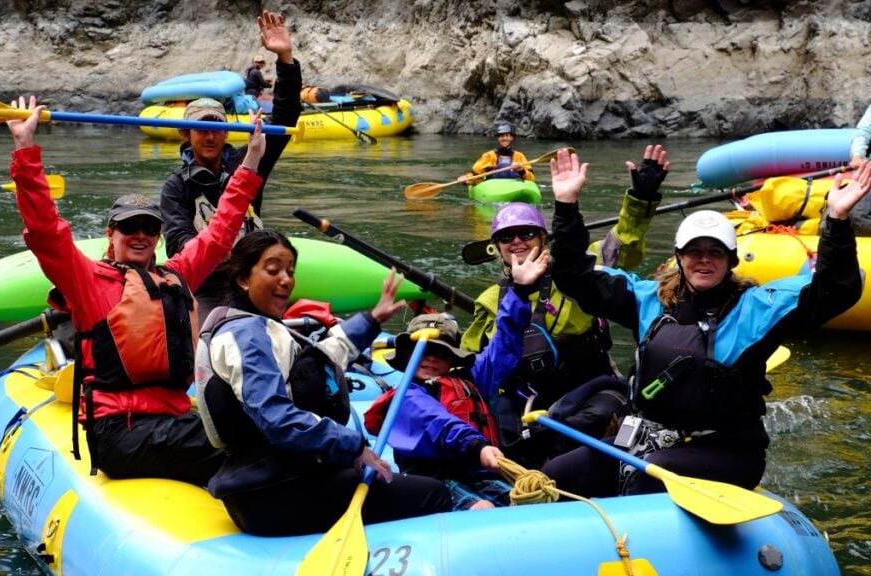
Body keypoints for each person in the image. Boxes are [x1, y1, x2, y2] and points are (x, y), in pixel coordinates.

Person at [540, 148, 870, 497]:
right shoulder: (647, 300)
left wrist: (835, 220)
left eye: (714, 252)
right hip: (649, 440)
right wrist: (566, 205)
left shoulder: (758, 308)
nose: (704, 260)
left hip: (727, 451)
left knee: (653, 474)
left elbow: (836, 291)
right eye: (694, 252)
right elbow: (575, 276)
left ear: (730, 260)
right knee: (556, 474)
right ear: (680, 258)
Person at [5, 94, 268, 486]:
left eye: (149, 228)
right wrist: (25, 149)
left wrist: (250, 161)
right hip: (120, 432)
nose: (140, 235)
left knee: (257, 428)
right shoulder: (88, 281)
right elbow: (46, 232)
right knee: (244, 442)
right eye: (130, 228)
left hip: (172, 419)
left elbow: (219, 233)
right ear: (111, 235)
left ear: (159, 236)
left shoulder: (175, 275)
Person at [194, 230, 452, 536]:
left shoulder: (254, 326)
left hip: (274, 481)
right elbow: (277, 419)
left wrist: (370, 321)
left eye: (290, 272)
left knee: (387, 482)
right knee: (433, 494)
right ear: (243, 279)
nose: (286, 280)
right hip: (271, 495)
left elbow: (313, 367)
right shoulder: (246, 336)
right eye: (272, 270)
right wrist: (353, 446)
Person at [460, 146, 669, 466]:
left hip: (592, 392)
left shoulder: (577, 274)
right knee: (507, 434)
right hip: (531, 402)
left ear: (542, 238)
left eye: (526, 233)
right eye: (507, 237)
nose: (517, 241)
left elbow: (622, 245)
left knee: (580, 427)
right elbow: (475, 369)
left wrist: (640, 199)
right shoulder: (491, 300)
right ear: (497, 248)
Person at [362, 244, 546, 510]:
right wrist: (477, 448)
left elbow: (504, 342)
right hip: (434, 479)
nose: (431, 359)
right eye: (423, 352)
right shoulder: (405, 396)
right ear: (408, 356)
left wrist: (519, 290)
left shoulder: (470, 380)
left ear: (451, 359)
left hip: (478, 473)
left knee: (529, 501)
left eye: (440, 353)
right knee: (483, 508)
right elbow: (437, 422)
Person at [161, 10, 303, 324]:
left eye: (216, 129)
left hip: (254, 279)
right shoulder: (176, 186)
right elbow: (177, 244)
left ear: (227, 132)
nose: (210, 136)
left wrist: (285, 57)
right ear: (187, 134)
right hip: (208, 284)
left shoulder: (250, 159)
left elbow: (287, 115)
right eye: (201, 130)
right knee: (211, 335)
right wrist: (222, 250)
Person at [457, 124, 536, 185]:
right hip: (493, 186)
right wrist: (466, 179)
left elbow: (531, 179)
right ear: (498, 138)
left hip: (514, 185)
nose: (504, 138)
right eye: (501, 136)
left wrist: (521, 170)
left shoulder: (519, 156)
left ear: (511, 138)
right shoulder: (488, 156)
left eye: (507, 135)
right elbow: (475, 174)